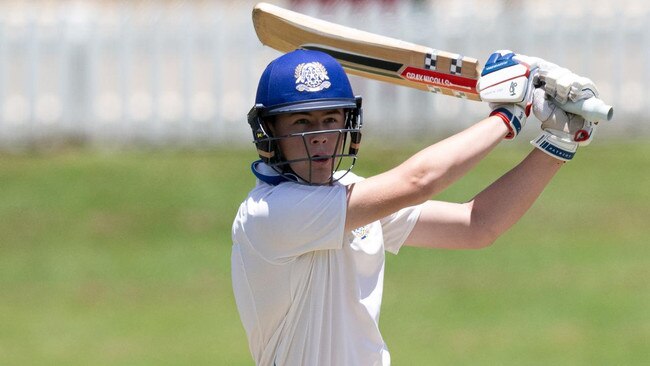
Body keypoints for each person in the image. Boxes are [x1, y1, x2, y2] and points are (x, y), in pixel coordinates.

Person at [231, 49, 600, 365]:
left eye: (330, 119)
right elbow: (418, 181)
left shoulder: (353, 196)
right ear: (269, 133)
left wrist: (558, 143)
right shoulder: (271, 214)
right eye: (302, 122)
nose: (321, 136)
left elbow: (477, 225)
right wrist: (508, 116)